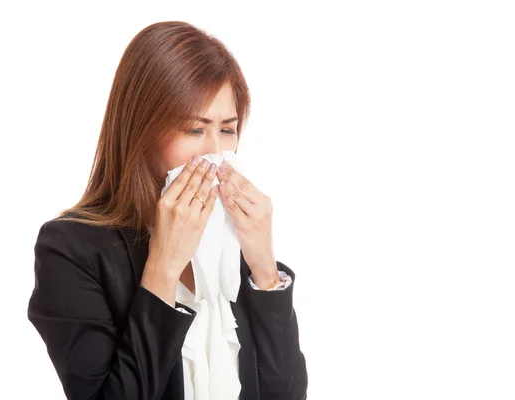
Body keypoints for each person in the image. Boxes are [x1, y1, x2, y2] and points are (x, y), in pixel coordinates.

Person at [27, 20, 308, 400]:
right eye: (195, 130)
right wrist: (162, 269)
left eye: (227, 130)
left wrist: (265, 270)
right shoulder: (71, 249)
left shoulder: (232, 243)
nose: (214, 153)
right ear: (142, 132)